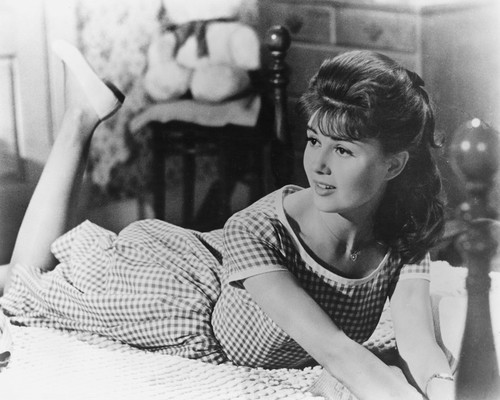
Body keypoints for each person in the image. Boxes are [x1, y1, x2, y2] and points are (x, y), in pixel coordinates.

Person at [0, 42, 454, 400]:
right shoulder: (256, 230)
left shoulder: (404, 231)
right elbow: (334, 349)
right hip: (178, 292)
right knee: (23, 284)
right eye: (315, 140)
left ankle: (84, 115)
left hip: (214, 282)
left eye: (343, 150)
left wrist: (444, 388)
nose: (318, 164)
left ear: (394, 165)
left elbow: (418, 344)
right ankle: (80, 119)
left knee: (32, 271)